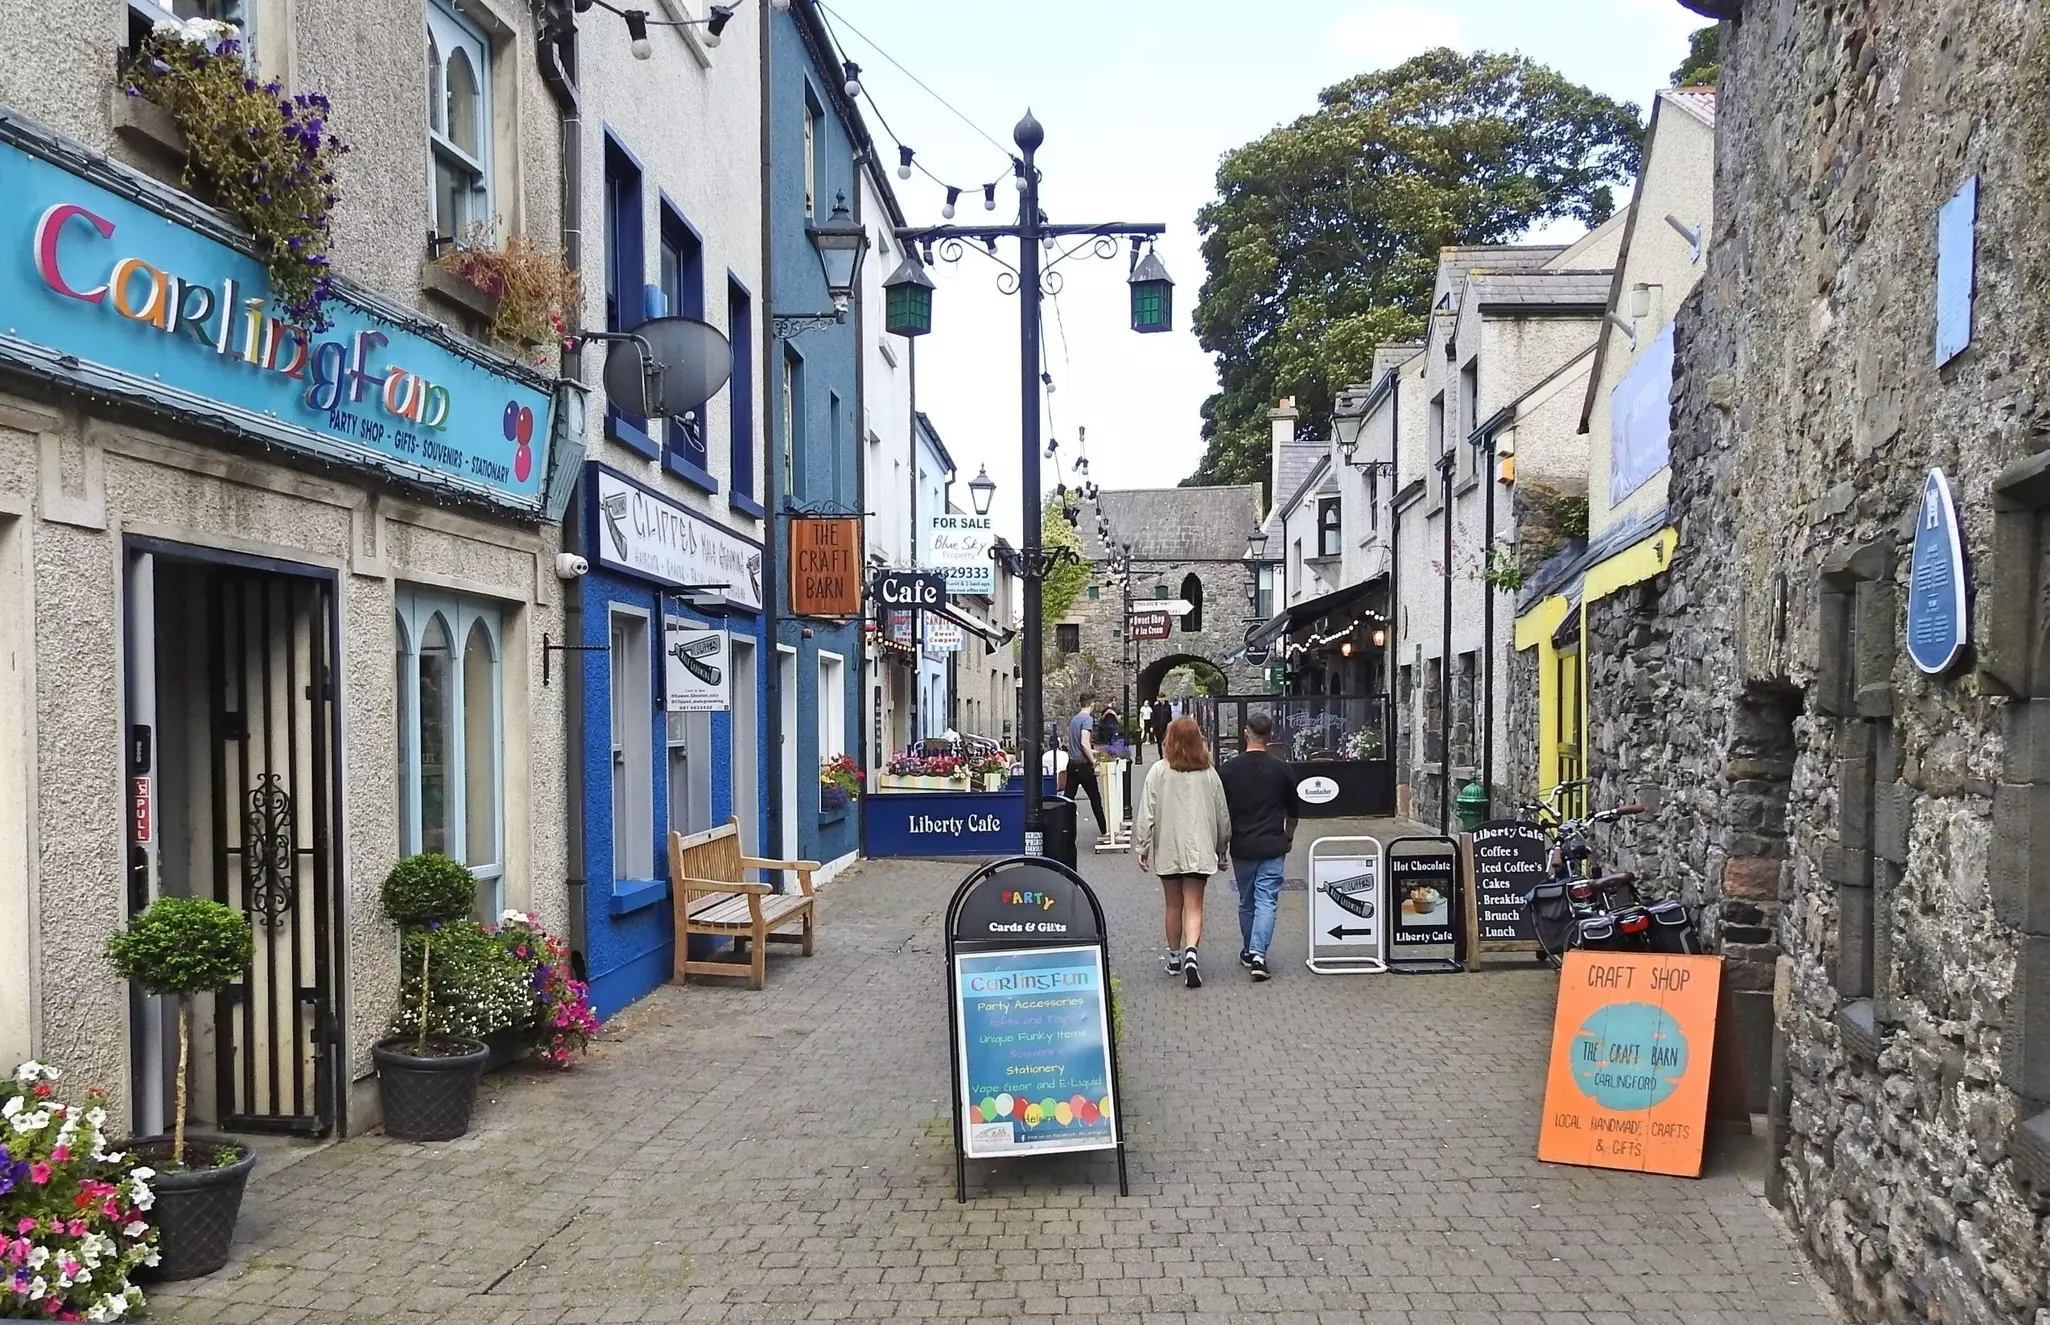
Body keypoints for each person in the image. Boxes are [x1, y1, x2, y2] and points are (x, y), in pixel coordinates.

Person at [1136, 716, 1232, 988]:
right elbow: (1222, 815)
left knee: (1172, 905)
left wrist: (1142, 847)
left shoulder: (1158, 771)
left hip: (1168, 848)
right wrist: (1221, 849)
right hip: (1199, 850)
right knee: (1194, 905)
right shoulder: (1209, 773)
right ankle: (1192, 952)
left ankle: (1175, 957)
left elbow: (1147, 813)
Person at [1218, 710, 1303, 982]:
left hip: (1242, 845)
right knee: (1267, 900)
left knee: (1246, 901)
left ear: (1246, 733)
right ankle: (1258, 954)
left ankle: (1248, 950)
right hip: (1272, 844)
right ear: (1270, 736)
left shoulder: (1229, 770)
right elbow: (1294, 810)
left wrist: (1221, 846)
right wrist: (1288, 836)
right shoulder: (1281, 769)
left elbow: (1222, 812)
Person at [1065, 693, 1107, 835]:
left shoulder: (1074, 720)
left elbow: (1077, 744)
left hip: (1071, 763)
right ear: (1092, 704)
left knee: (1067, 800)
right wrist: (1093, 760)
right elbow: (1084, 743)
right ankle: (1104, 830)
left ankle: (1063, 829)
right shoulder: (1087, 720)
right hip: (1083, 766)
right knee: (1095, 799)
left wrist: (1093, 751)